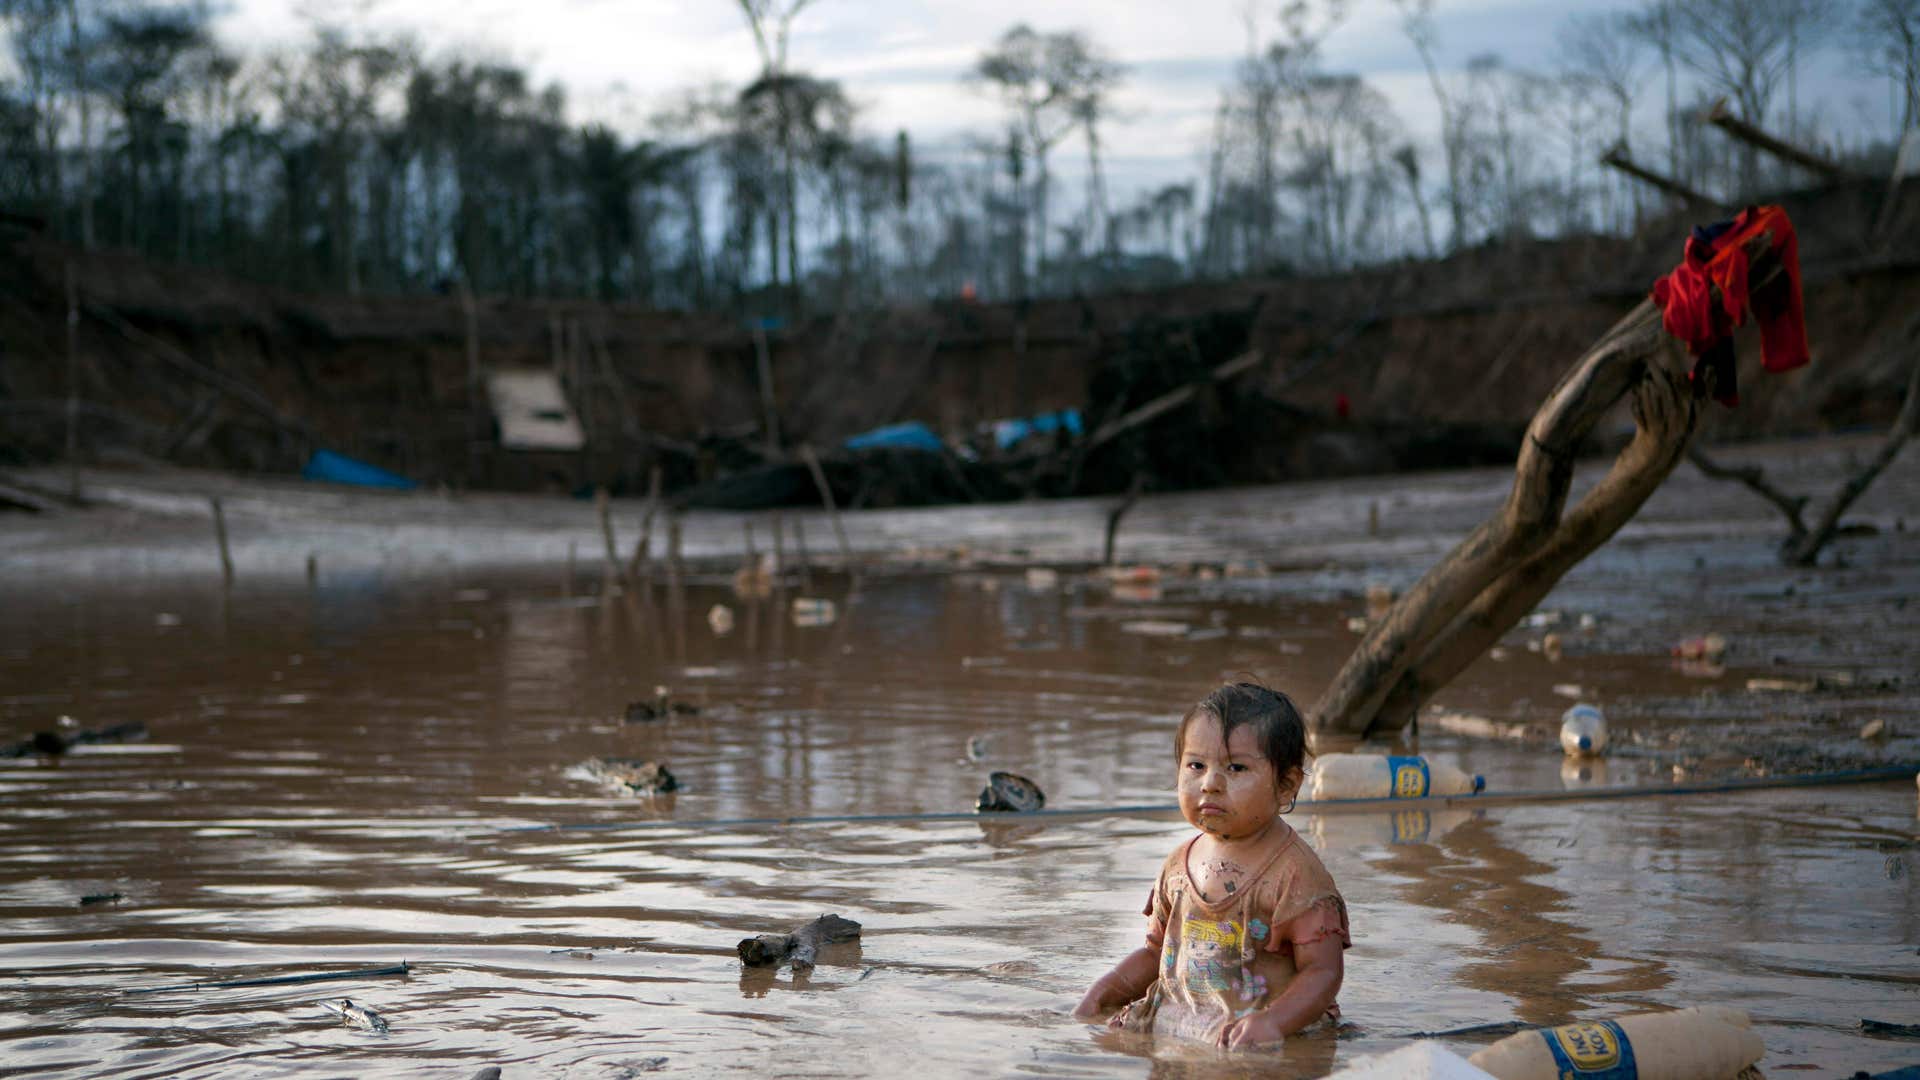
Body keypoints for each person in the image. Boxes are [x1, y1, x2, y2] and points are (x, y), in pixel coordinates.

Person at [1074, 682, 1348, 1049]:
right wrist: (1107, 987)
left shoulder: (1294, 874)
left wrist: (1274, 1022)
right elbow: (1158, 953)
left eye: (1235, 767)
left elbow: (1323, 971)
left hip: (1262, 1031)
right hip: (1186, 1022)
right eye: (1196, 765)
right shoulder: (1178, 865)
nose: (1210, 784)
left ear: (1286, 785)